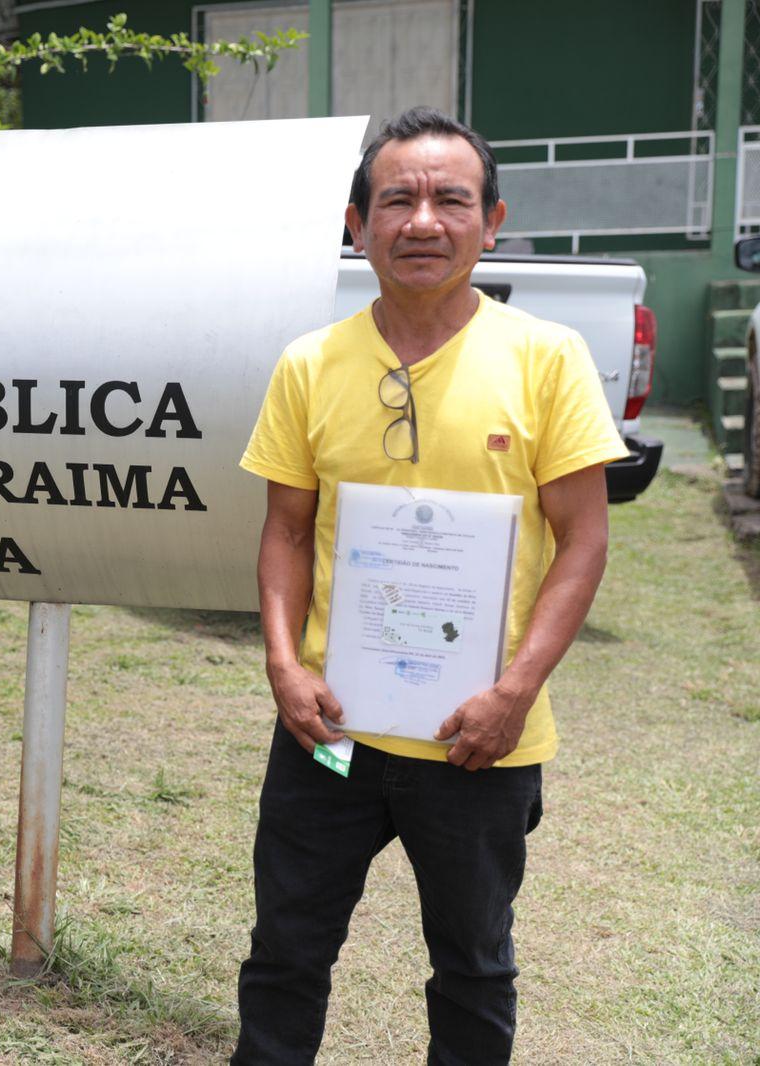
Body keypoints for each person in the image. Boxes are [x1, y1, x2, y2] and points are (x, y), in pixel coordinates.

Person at [232, 106, 628, 1065]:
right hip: (330, 734)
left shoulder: (545, 359)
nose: (422, 221)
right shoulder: (310, 365)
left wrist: (514, 693)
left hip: (476, 743)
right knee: (286, 950)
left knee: (473, 964)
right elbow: (285, 529)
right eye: (396, 199)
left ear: (492, 221)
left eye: (451, 199)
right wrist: (284, 666)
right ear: (355, 223)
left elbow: (582, 541)